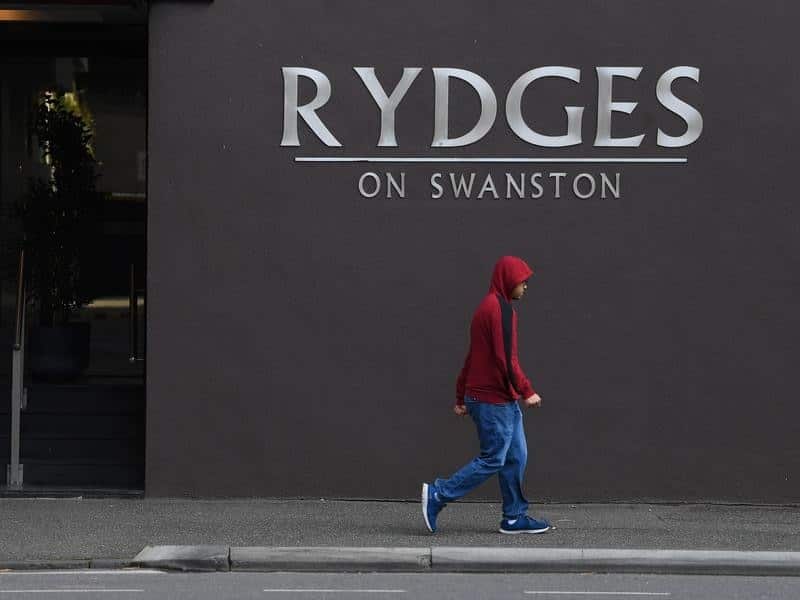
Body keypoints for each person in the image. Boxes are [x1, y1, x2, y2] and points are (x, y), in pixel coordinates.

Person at [421, 255, 550, 535]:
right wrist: (527, 390)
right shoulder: (499, 309)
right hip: (494, 400)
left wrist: (460, 395)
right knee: (494, 457)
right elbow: (506, 359)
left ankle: (514, 517)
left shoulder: (487, 307)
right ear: (508, 281)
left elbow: (474, 357)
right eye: (522, 282)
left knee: (516, 455)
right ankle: (438, 494)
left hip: (499, 398)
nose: (525, 287)